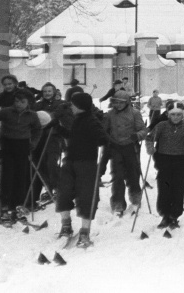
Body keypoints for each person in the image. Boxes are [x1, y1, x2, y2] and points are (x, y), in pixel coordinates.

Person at [54, 92, 107, 248]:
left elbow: (102, 138)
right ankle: (66, 225)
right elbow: (74, 137)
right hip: (70, 160)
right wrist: (57, 128)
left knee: (86, 196)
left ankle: (85, 231)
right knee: (63, 192)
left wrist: (99, 139)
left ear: (79, 105)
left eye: (73, 104)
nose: (71, 106)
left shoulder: (92, 121)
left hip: (86, 164)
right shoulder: (78, 119)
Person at [146, 102, 184, 229]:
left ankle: (174, 216)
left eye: (179, 114)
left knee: (178, 189)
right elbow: (150, 138)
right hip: (164, 160)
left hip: (180, 160)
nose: (176, 117)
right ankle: (165, 215)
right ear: (168, 115)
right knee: (164, 189)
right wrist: (151, 148)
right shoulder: (161, 125)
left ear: (182, 115)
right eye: (173, 114)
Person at [0, 89, 42, 224]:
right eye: (17, 101)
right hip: (7, 146)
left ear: (28, 102)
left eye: (22, 102)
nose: (19, 104)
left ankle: (18, 207)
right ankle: (4, 209)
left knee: (21, 178)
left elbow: (37, 129)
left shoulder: (32, 115)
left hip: (23, 146)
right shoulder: (6, 111)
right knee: (7, 178)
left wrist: (33, 143)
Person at [102, 90, 146, 216]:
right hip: (116, 147)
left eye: (121, 102)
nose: (118, 105)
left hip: (131, 147)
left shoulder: (134, 113)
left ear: (127, 102)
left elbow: (143, 130)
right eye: (116, 102)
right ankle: (118, 204)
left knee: (133, 174)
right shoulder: (110, 114)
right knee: (118, 176)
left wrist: (137, 135)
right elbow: (104, 129)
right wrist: (105, 138)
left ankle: (135, 200)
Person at [30, 82, 65, 205]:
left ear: (54, 92)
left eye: (49, 91)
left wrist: (56, 121)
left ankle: (59, 187)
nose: (47, 93)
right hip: (39, 137)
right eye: (44, 91)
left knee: (51, 162)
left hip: (54, 137)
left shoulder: (61, 104)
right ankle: (49, 187)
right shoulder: (37, 105)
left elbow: (65, 118)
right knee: (40, 164)